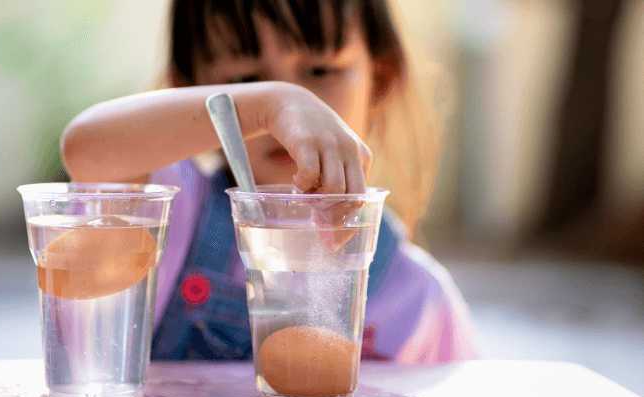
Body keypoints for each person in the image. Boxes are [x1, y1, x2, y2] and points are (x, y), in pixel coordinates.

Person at [60, 0, 479, 362]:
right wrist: (268, 105)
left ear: (381, 79)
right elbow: (86, 150)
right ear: (185, 90)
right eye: (244, 80)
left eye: (319, 70)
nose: (287, 118)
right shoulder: (164, 211)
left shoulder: (417, 299)